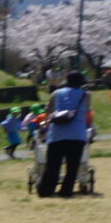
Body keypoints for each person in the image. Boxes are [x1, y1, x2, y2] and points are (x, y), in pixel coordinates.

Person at [39, 68, 92, 197]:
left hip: (57, 134)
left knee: (53, 165)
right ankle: (66, 191)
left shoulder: (56, 93)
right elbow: (87, 111)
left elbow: (48, 111)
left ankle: (46, 191)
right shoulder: (86, 95)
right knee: (72, 166)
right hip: (77, 135)